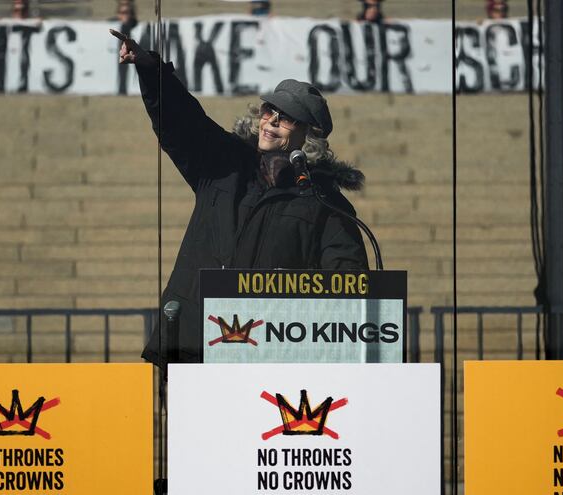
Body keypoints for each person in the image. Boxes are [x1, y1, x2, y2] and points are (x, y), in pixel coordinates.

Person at [110, 30, 369, 364]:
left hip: (266, 353)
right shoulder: (224, 162)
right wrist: (151, 70)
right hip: (191, 342)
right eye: (268, 110)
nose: (271, 122)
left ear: (310, 135)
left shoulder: (325, 203)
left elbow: (346, 282)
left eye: (287, 117)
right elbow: (184, 123)